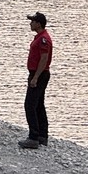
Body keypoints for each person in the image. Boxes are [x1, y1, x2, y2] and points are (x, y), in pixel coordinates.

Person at [18, 12, 53, 149]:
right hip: (38, 73)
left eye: (33, 21)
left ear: (39, 23)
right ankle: (42, 135)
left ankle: (33, 136)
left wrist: (36, 77)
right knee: (38, 104)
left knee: (30, 105)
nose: (30, 23)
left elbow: (44, 58)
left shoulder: (43, 39)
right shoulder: (40, 37)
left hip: (39, 74)